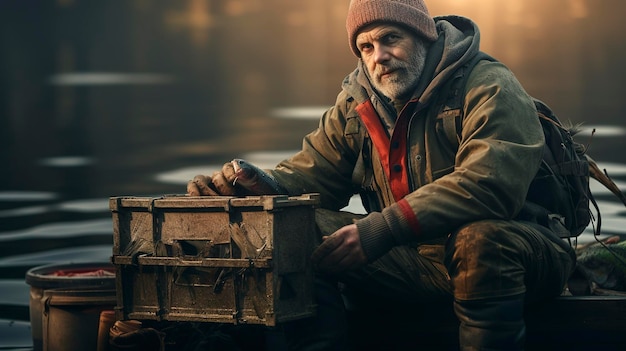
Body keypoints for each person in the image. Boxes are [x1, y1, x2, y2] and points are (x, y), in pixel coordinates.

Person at [187, 0, 576, 350]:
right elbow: (314, 174)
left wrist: (381, 230)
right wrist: (253, 185)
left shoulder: (489, 84)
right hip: (413, 258)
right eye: (366, 47)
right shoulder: (357, 103)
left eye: (391, 38)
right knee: (292, 227)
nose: (379, 57)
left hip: (523, 255)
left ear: (423, 35)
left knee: (479, 239)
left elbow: (491, 186)